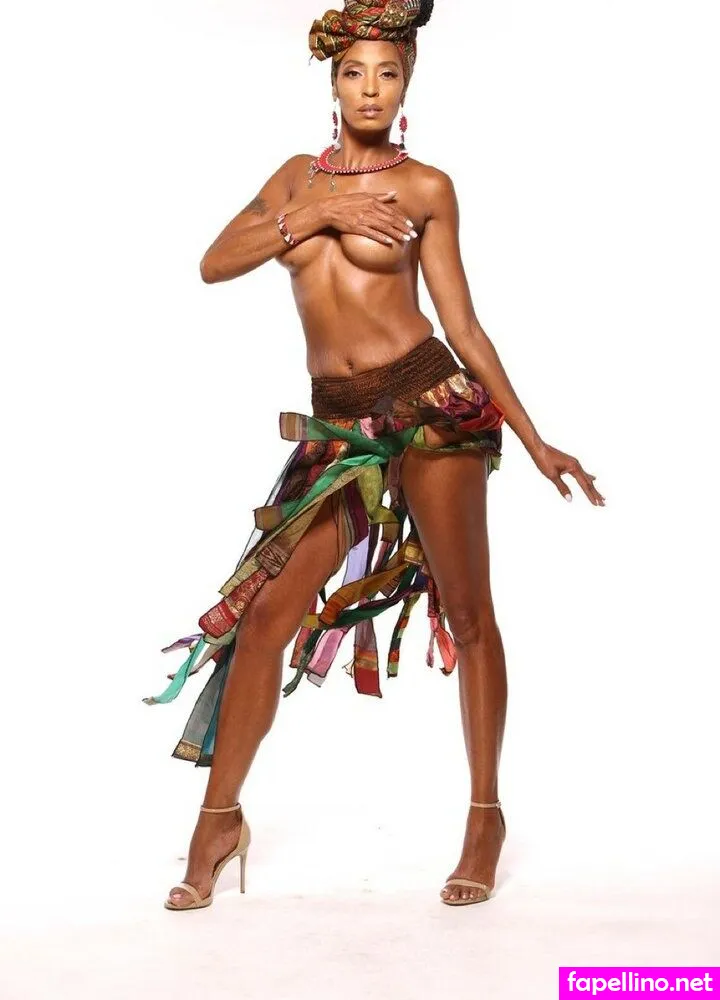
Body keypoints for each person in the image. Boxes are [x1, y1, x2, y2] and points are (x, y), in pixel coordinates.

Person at [146, 0, 606, 911]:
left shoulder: (427, 187)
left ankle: (484, 817)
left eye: (387, 74)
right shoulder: (297, 180)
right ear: (333, 82)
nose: (370, 90)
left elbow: (462, 324)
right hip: (339, 431)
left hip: (430, 408)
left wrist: (531, 435)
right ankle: (219, 822)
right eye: (355, 72)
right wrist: (324, 209)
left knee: (468, 613)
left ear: (407, 85)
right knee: (267, 615)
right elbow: (214, 261)